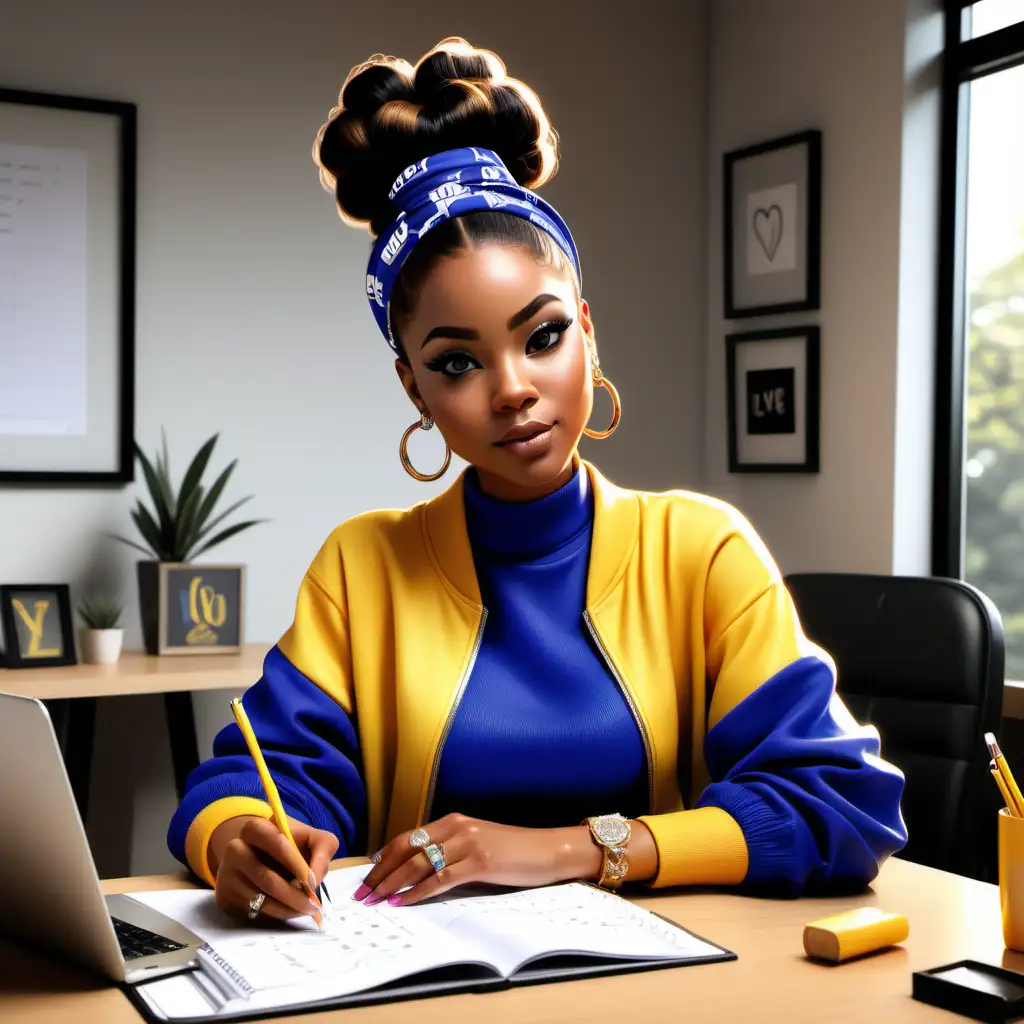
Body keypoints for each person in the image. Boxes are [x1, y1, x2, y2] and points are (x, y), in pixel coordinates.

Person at [167, 37, 907, 924]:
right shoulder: (362, 566)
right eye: (456, 362)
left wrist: (561, 851)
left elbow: (841, 801)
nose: (513, 388)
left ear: (587, 332)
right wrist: (237, 835)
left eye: (543, 335)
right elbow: (259, 777)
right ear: (414, 388)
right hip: (423, 989)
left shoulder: (702, 551)